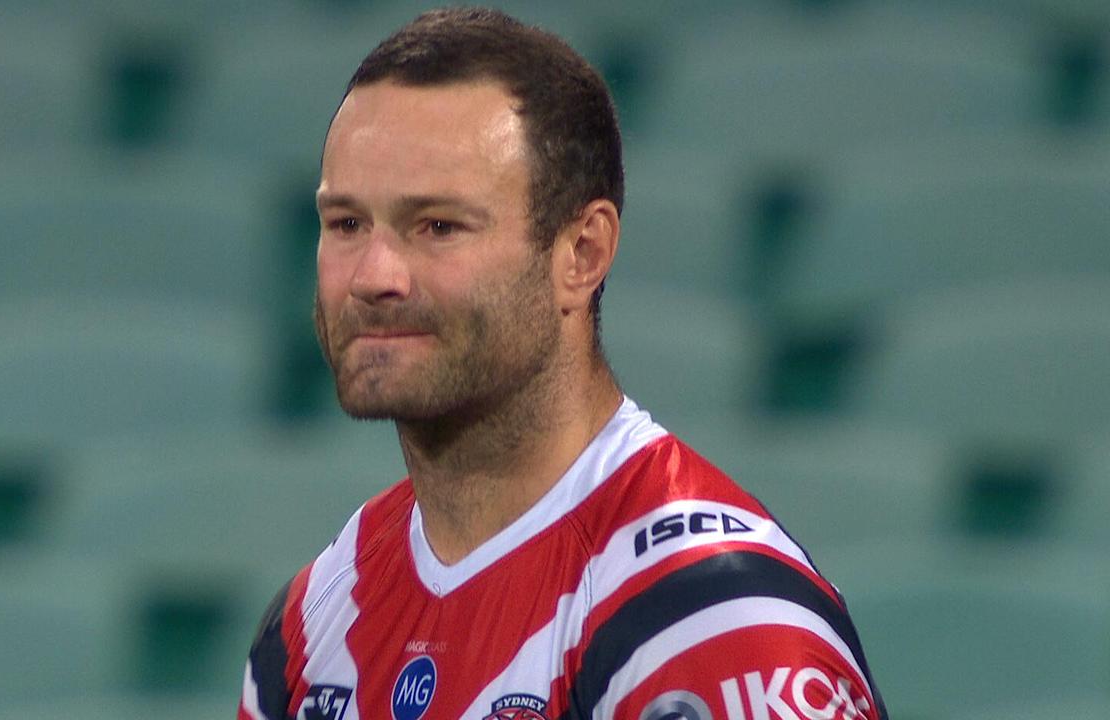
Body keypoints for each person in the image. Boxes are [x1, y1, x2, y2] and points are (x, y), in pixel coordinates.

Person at [238, 7, 886, 720]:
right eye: (347, 224)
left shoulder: (712, 621)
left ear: (581, 254)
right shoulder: (313, 626)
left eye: (439, 226)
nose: (373, 275)